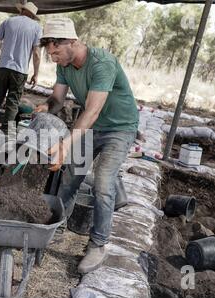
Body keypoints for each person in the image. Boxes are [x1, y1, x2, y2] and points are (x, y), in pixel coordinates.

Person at [35, 18, 139, 274]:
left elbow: (91, 112)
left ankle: (98, 244)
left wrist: (66, 143)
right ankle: (56, 226)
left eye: (56, 51)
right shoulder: (65, 65)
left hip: (119, 128)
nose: (53, 57)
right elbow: (57, 99)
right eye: (50, 51)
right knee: (71, 176)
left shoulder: (102, 63)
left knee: (103, 182)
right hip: (92, 127)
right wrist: (46, 107)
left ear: (73, 41)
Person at [0, 2, 42, 133]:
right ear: (33, 16)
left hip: (3, 67)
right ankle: (6, 133)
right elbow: (37, 54)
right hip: (20, 71)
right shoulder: (36, 28)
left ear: (22, 11)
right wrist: (36, 73)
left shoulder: (8, 21)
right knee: (13, 103)